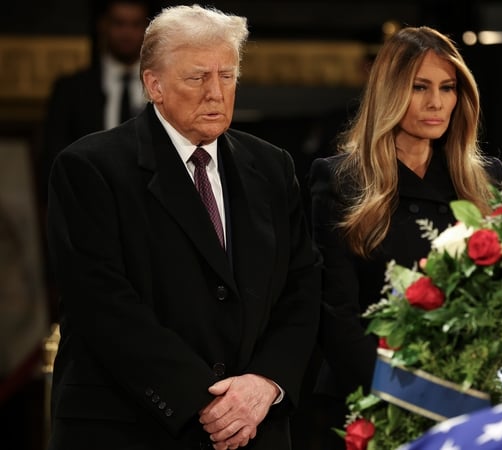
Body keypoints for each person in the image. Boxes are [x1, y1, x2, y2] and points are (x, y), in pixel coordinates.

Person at [46, 5, 321, 450]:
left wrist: (265, 383)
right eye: (197, 78)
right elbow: (103, 306)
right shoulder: (90, 169)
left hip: (254, 427)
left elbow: (302, 287)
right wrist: (206, 401)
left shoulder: (272, 167)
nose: (216, 93)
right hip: (131, 428)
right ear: (154, 84)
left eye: (227, 76)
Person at [307, 26, 502, 448]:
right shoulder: (342, 179)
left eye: (447, 88)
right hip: (367, 405)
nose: (436, 102)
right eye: (420, 87)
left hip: (466, 403)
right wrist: (406, 404)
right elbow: (337, 314)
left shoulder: (485, 180)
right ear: (390, 92)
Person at [40, 0, 151, 203]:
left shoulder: (165, 88)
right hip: (88, 205)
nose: (127, 33)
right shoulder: (71, 89)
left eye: (135, 25)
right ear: (103, 25)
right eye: (119, 23)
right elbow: (54, 158)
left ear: (148, 29)